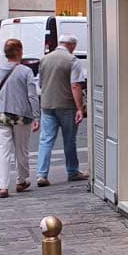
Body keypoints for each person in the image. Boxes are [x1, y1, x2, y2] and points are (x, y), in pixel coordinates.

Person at [0, 38, 41, 198]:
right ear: (19, 52)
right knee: (21, 149)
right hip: (21, 115)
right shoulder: (26, 71)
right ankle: (22, 180)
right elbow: (32, 96)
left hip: (0, 113)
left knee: (2, 150)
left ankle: (2, 186)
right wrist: (36, 115)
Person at [35, 36, 87, 185]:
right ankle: (72, 170)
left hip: (47, 105)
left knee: (45, 140)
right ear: (71, 45)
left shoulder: (44, 59)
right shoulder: (72, 61)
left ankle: (41, 174)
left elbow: (40, 83)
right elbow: (75, 86)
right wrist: (79, 108)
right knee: (69, 140)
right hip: (66, 105)